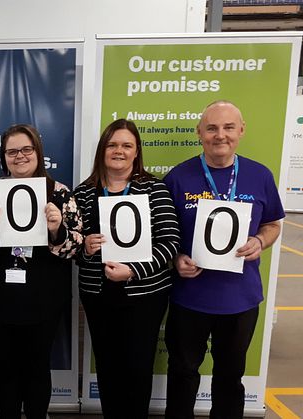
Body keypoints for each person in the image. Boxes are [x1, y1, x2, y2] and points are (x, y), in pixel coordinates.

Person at [163, 101, 284, 419]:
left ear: (241, 130)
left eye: (228, 127)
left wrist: (259, 240)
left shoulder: (260, 175)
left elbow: (272, 224)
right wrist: (176, 257)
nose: (220, 135)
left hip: (239, 299)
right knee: (182, 373)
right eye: (212, 128)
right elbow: (163, 232)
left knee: (230, 377)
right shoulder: (178, 178)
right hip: (189, 298)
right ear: (199, 133)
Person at [0, 124, 82, 419]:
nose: (20, 156)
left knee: (38, 366)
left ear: (37, 153)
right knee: (4, 367)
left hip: (44, 299)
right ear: (3, 157)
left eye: (26, 149)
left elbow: (77, 247)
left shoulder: (59, 193)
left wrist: (57, 230)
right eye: (12, 151)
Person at [73, 119, 180, 418]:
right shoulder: (83, 193)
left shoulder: (154, 188)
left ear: (136, 152)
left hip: (145, 295)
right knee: (107, 366)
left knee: (138, 367)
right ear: (102, 150)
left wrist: (134, 271)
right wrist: (85, 247)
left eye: (126, 145)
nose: (118, 151)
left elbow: (170, 242)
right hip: (98, 294)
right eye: (112, 144)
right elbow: (73, 247)